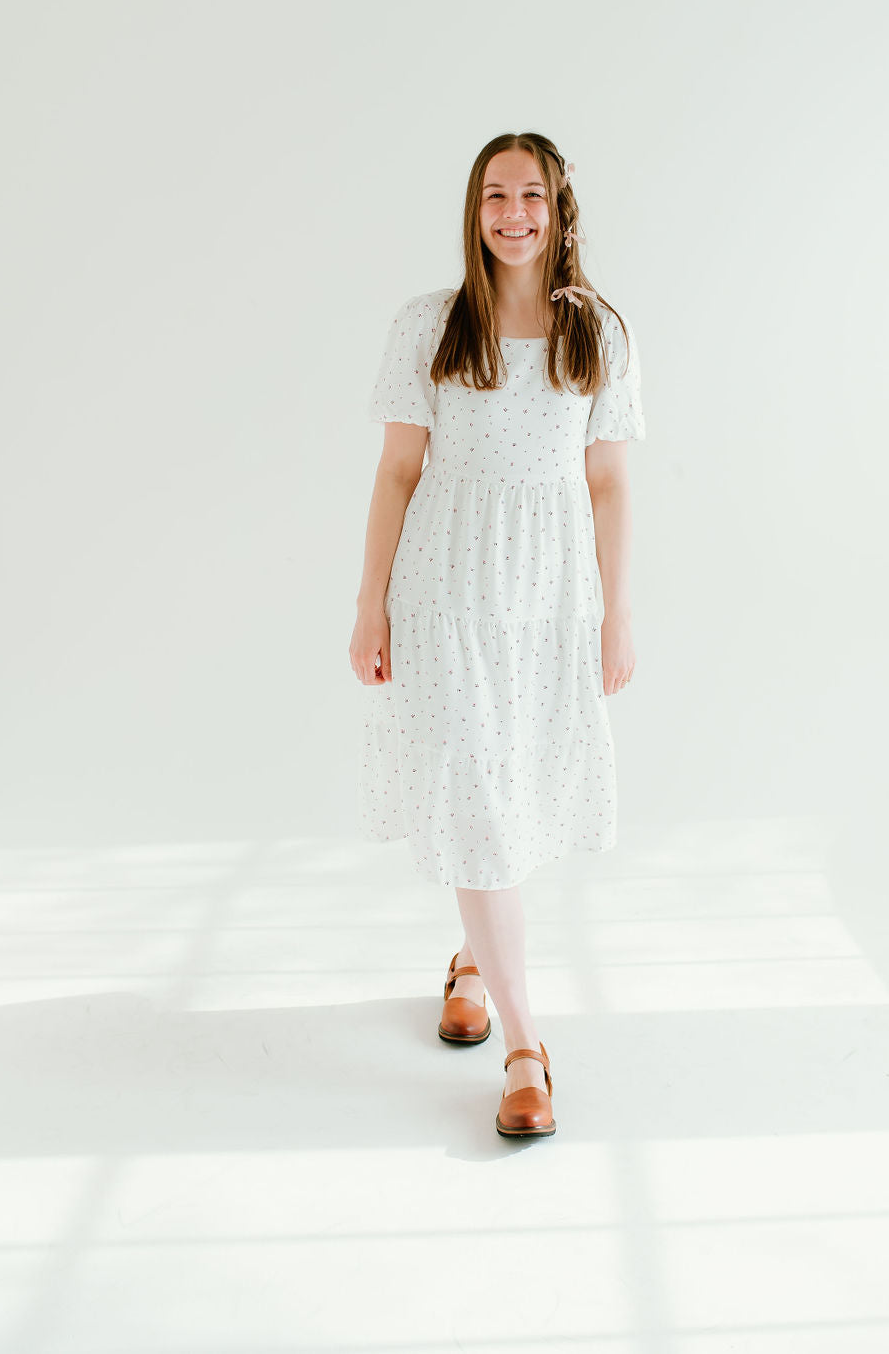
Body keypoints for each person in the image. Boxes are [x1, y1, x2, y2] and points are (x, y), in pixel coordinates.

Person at [349, 132, 646, 1139]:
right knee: (476, 789)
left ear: (559, 210)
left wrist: (615, 612)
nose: (512, 213)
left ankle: (471, 961)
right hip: (444, 589)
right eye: (493, 196)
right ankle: (526, 1046)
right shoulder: (429, 325)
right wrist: (368, 604)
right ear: (473, 212)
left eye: (530, 195)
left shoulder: (597, 331)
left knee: (511, 786)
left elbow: (606, 483)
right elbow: (396, 473)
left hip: (550, 595)